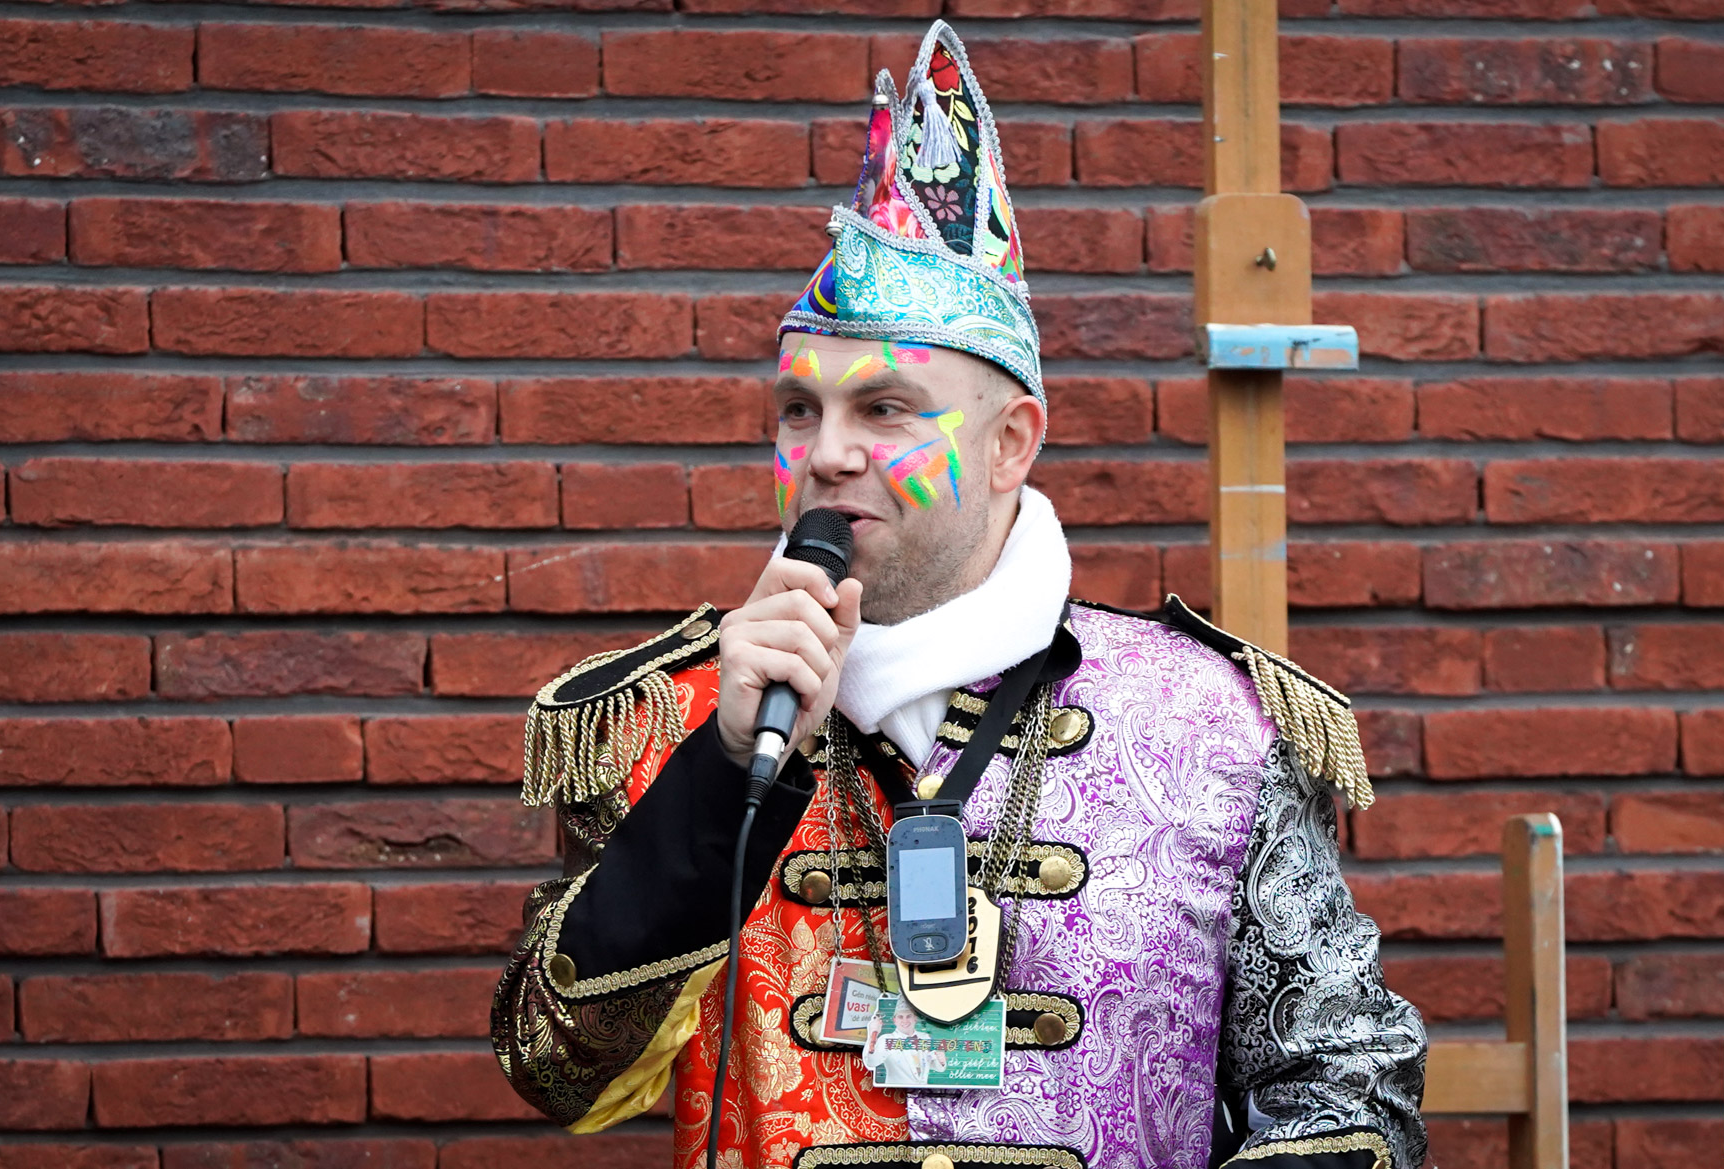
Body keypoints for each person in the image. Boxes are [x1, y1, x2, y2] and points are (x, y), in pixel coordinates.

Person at [492, 21, 1427, 1169]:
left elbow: (1346, 1080)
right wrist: (726, 771)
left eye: (884, 408)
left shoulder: (1211, 721)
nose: (828, 453)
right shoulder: (676, 720)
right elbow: (555, 1070)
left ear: (1009, 444)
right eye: (799, 411)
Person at [861, 1001, 946, 1089]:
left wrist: (941, 1061)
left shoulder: (925, 1037)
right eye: (900, 1017)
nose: (905, 1020)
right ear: (895, 1020)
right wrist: (873, 1033)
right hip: (897, 1092)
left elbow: (936, 1066)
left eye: (908, 1016)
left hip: (923, 1093)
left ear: (915, 1018)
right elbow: (871, 1062)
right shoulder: (887, 1040)